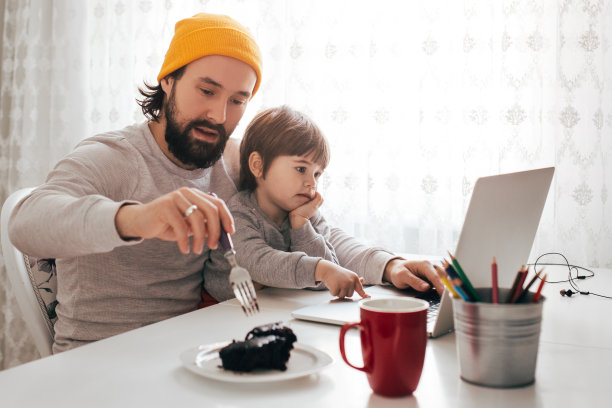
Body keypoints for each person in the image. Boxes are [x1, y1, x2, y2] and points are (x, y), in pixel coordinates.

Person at [8, 13, 441, 353]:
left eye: (238, 100)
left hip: (189, 351)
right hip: (100, 359)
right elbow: (26, 223)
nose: (219, 116)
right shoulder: (114, 157)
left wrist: (388, 264)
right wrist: (139, 218)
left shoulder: (229, 161)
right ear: (168, 79)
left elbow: (311, 222)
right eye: (207, 90)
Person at [204, 106, 444, 302]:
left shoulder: (303, 212)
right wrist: (319, 269)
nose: (311, 183)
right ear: (257, 165)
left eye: (317, 174)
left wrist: (301, 226)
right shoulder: (238, 213)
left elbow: (330, 268)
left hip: (269, 308)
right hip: (221, 312)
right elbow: (259, 262)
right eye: (301, 169)